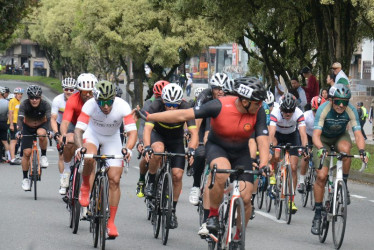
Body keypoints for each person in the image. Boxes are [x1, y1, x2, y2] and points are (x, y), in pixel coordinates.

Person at [138, 77, 269, 237]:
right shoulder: (220, 105)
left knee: (246, 198)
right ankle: (212, 215)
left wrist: (263, 163)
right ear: (245, 101)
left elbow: (262, 138)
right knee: (220, 173)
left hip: (241, 152)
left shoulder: (258, 111)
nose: (260, 105)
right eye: (257, 102)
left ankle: (238, 237)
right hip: (218, 147)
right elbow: (183, 115)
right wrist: (151, 117)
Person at [75, 80, 137, 238]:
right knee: (89, 158)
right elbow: (78, 131)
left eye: (109, 101)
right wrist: (79, 147)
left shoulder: (122, 106)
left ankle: (111, 223)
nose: (106, 106)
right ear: (96, 100)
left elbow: (132, 133)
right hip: (92, 134)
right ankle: (85, 186)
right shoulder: (89, 105)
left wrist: (127, 148)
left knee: (115, 180)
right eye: (102, 102)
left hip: (113, 138)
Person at [311, 84, 368, 235]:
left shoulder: (351, 110)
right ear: (331, 100)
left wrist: (362, 151)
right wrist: (321, 149)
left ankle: (344, 185)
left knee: (346, 151)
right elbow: (315, 135)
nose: (341, 105)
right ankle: (317, 215)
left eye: (345, 101)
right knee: (321, 176)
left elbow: (358, 134)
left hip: (339, 137)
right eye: (338, 101)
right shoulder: (323, 109)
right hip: (322, 140)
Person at [142, 83, 198, 229]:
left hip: (176, 139)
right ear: (163, 101)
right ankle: (152, 181)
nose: (171, 108)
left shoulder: (186, 107)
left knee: (177, 175)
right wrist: (147, 147)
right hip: (158, 135)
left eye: (175, 105)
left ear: (180, 102)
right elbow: (147, 130)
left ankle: (172, 211)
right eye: (168, 104)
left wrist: (191, 149)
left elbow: (194, 133)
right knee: (157, 150)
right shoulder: (156, 106)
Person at [269, 93, 308, 213]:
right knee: (275, 155)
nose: (287, 114)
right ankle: (272, 176)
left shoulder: (299, 113)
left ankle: (291, 200)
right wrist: (270, 146)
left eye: (290, 111)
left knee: (294, 166)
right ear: (280, 108)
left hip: (292, 136)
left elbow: (302, 133)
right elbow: (271, 133)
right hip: (278, 135)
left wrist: (305, 147)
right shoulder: (275, 112)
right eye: (285, 111)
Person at [135, 80, 169, 198]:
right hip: (152, 131)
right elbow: (143, 125)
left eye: (162, 96)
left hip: (167, 134)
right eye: (157, 96)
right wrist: (141, 142)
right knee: (148, 157)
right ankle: (142, 180)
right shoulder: (150, 104)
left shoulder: (171, 103)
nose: (160, 99)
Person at [18, 85, 51, 191]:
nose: (34, 100)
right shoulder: (24, 104)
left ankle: (44, 156)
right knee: (26, 153)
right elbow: (20, 118)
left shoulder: (45, 104)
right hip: (27, 127)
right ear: (28, 97)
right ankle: (25, 178)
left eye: (37, 98)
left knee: (41, 134)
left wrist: (50, 131)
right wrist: (19, 131)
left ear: (40, 97)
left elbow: (50, 118)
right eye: (32, 98)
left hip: (41, 125)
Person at [51, 77, 76, 195]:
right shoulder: (57, 100)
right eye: (66, 89)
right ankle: (63, 179)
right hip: (62, 125)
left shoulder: (77, 100)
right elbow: (53, 118)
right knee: (62, 154)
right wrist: (56, 133)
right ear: (63, 89)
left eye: (71, 89)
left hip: (75, 125)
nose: (69, 92)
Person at [297, 96, 325, 193]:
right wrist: (304, 147)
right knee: (306, 155)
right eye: (314, 111)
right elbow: (301, 133)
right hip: (308, 136)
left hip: (320, 137)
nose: (316, 113)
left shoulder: (326, 117)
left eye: (319, 111)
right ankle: (301, 181)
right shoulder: (306, 116)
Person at [8, 87, 23, 165]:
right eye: (18, 94)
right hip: (13, 122)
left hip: (17, 122)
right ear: (15, 94)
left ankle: (14, 156)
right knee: (13, 141)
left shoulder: (18, 102)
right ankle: (12, 158)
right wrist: (11, 124)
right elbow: (10, 113)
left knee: (16, 140)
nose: (20, 95)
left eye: (21, 94)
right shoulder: (12, 101)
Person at [0, 87, 11, 162]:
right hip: (4, 122)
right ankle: (9, 157)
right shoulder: (7, 102)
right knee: (4, 141)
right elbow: (9, 114)